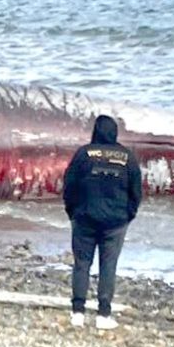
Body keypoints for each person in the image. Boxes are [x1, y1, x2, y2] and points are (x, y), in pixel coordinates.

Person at [62, 114, 142, 330]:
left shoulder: (84, 154)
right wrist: (127, 216)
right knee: (108, 266)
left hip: (84, 219)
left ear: (95, 131)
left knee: (82, 264)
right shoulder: (128, 158)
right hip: (115, 223)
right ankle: (103, 314)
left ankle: (77, 312)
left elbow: (69, 185)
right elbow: (136, 192)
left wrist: (73, 212)